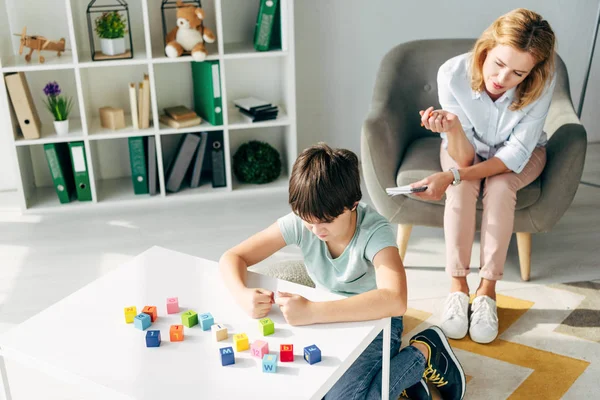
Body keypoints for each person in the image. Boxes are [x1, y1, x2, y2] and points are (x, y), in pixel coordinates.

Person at [219, 143, 466, 400]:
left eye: (326, 221)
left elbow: (395, 300)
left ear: (353, 204)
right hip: (326, 319)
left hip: (376, 322)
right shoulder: (305, 220)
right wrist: (241, 294)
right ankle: (402, 379)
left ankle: (424, 351)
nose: (315, 230)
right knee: (312, 390)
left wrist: (313, 312)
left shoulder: (375, 232)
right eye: (307, 220)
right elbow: (233, 256)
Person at [411, 8, 556, 344]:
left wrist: (452, 176)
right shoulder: (452, 74)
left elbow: (512, 157)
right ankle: (458, 287)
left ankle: (487, 292)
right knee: (460, 190)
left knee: (502, 187)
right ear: (487, 47)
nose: (503, 79)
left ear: (532, 71)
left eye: (517, 73)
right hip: (466, 148)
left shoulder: (542, 84)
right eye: (498, 64)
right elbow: (462, 156)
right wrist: (453, 130)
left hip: (522, 157)